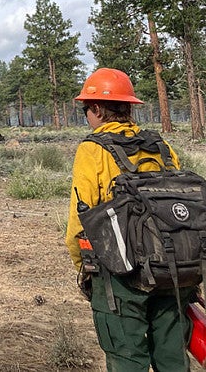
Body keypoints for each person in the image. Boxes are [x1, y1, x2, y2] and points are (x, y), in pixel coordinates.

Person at [66, 68, 194, 371]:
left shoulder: (92, 149)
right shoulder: (160, 146)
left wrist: (83, 270)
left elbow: (79, 220)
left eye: (86, 108)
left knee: (127, 359)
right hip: (173, 269)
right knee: (173, 358)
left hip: (120, 273)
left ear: (97, 108)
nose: (87, 115)